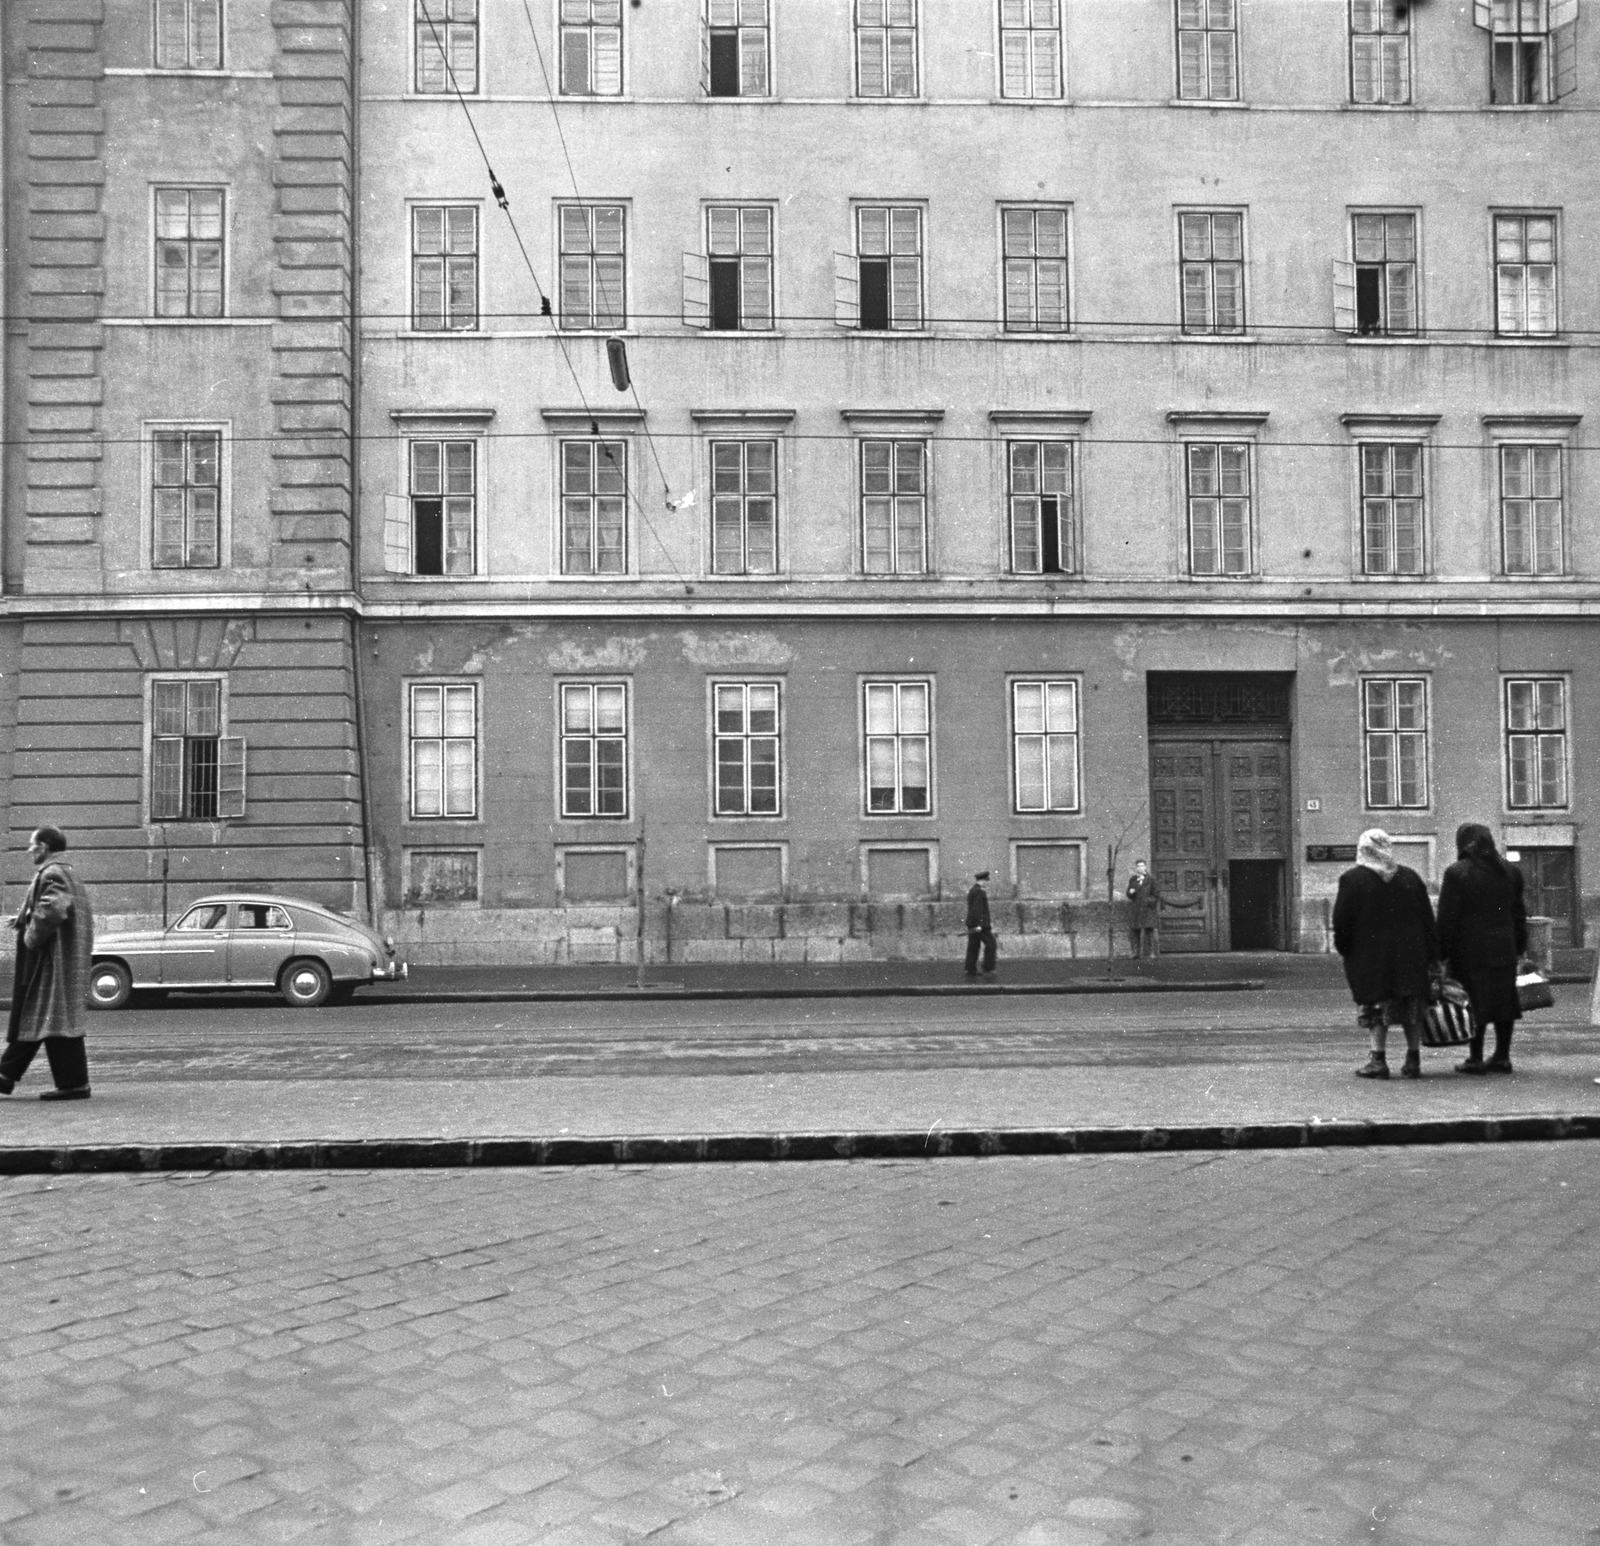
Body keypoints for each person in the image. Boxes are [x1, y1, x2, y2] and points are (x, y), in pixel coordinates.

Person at [1332, 828, 1437, 1080]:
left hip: (1371, 957)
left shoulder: (1352, 879)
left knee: (1377, 1005)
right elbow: (1428, 920)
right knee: (1412, 1005)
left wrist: (1346, 950)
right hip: (1411, 955)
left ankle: (1378, 1060)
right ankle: (1413, 1061)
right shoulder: (1410, 877)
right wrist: (1433, 955)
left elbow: (1342, 921)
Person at [1, 826, 95, 1100]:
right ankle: (73, 1084)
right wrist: (22, 920)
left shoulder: (52, 872)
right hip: (65, 959)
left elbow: (53, 909)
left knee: (36, 1013)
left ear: (43, 847)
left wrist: (30, 937)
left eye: (32, 844)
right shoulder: (69, 871)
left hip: (52, 961)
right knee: (58, 1021)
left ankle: (5, 1075)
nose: (29, 849)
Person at [1437, 822, 1527, 1076]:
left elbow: (1447, 918)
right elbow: (1519, 915)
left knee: (1474, 1002)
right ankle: (1502, 1056)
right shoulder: (1510, 872)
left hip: (1470, 950)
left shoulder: (1457, 872)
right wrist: (1520, 947)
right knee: (1504, 1002)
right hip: (1504, 947)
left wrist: (1440, 953)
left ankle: (1475, 1058)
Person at [1125, 860, 1161, 958]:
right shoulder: (1133, 879)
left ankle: (1151, 953)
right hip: (1136, 909)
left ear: (1145, 867)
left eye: (1142, 866)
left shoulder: (1151, 879)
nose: (1140, 868)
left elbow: (1156, 895)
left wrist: (1148, 901)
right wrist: (1131, 892)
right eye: (1138, 866)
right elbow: (1128, 894)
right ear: (1136, 868)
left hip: (1147, 909)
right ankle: (1135, 953)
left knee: (1149, 931)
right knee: (1135, 931)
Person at [964, 871, 997, 976]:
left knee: (973, 946)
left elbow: (974, 909)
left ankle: (970, 969)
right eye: (987, 881)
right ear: (983, 880)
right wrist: (979, 925)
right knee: (991, 944)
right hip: (981, 925)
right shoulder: (979, 892)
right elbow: (978, 909)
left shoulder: (973, 890)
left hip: (973, 923)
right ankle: (988, 968)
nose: (987, 883)